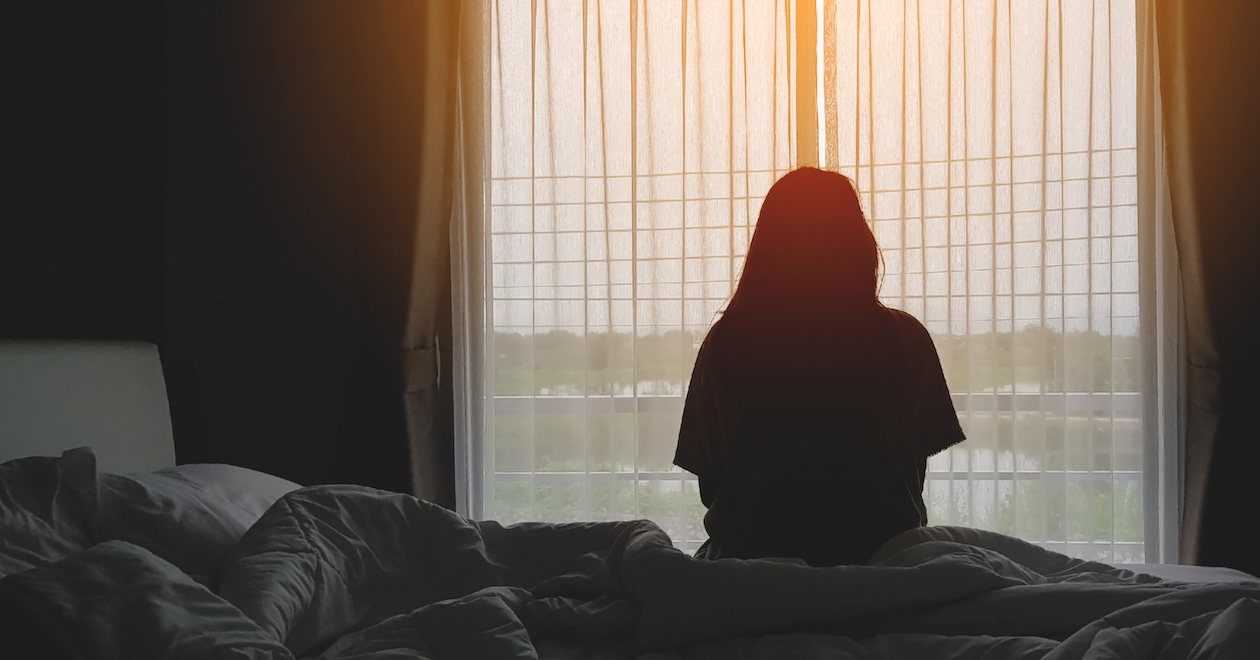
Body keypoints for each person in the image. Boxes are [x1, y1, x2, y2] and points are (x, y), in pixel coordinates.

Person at [673, 167, 965, 567]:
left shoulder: (726, 343)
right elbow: (912, 471)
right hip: (881, 564)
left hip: (750, 566)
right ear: (857, 242)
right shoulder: (905, 339)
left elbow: (712, 480)